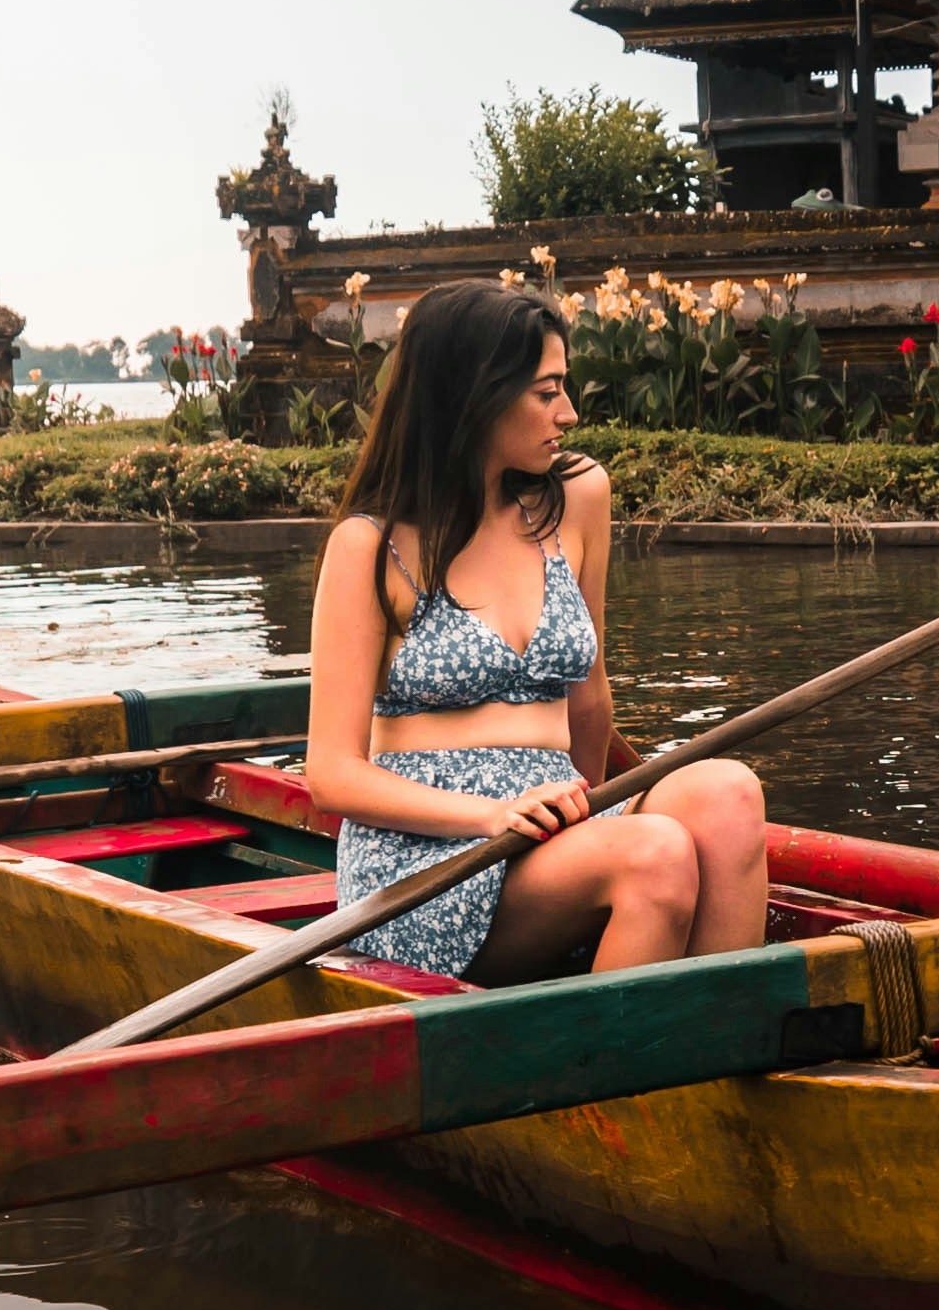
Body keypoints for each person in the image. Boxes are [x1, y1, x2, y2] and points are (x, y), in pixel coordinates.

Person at [304, 277, 767, 984]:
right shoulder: (369, 546)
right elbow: (332, 774)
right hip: (429, 859)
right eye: (546, 392)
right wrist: (492, 814)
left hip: (554, 822)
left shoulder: (577, 498)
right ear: (475, 395)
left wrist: (584, 822)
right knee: (655, 854)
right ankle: (609, 1053)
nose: (569, 412)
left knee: (729, 794)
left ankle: (726, 1039)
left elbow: (590, 699)